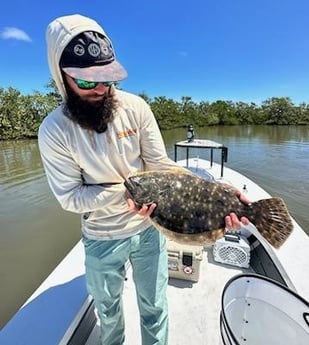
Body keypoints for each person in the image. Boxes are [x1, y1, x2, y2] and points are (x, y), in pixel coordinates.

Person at [38, 14, 249, 345]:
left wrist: (215, 190)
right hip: (101, 236)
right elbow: (71, 197)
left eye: (107, 78)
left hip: (150, 230)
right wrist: (128, 194)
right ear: (61, 77)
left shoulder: (135, 108)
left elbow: (161, 166)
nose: (101, 89)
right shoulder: (54, 131)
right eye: (88, 82)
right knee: (107, 313)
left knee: (154, 307)